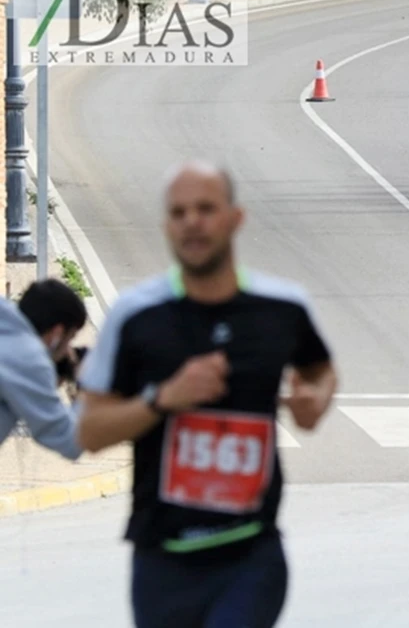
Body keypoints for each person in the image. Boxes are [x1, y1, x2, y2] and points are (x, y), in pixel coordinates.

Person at [77, 161, 338, 628]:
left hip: (251, 552)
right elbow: (90, 430)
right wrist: (163, 398)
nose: (191, 222)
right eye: (178, 213)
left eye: (205, 209)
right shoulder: (137, 316)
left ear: (236, 218)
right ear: (166, 227)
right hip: (162, 558)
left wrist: (314, 399)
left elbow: (322, 370)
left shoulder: (281, 308)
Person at [0, 278, 88, 459]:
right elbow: (71, 442)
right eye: (69, 339)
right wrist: (85, 387)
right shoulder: (28, 358)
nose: (67, 351)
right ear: (56, 333)